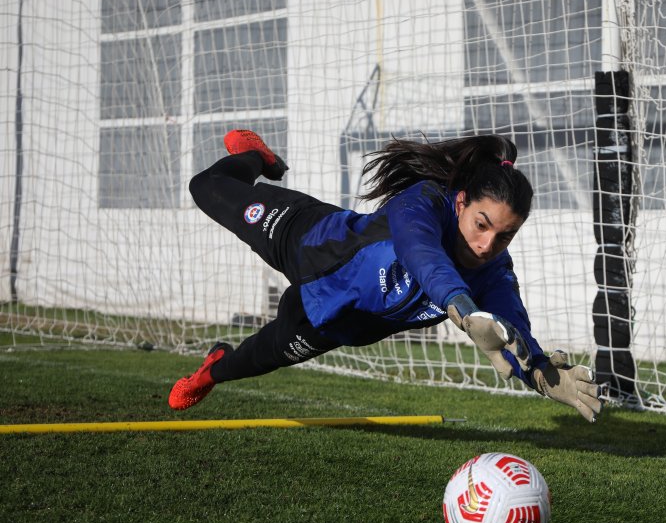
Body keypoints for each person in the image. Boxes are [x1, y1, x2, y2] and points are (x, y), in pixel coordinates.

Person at [168, 130, 602, 421]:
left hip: (327, 323)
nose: (487, 244)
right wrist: (467, 315)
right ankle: (254, 157)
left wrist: (542, 373)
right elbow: (422, 255)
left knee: (249, 362)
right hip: (308, 242)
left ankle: (210, 369)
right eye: (482, 223)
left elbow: (513, 331)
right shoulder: (425, 202)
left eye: (504, 236)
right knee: (204, 187)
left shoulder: (494, 274)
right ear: (461, 202)